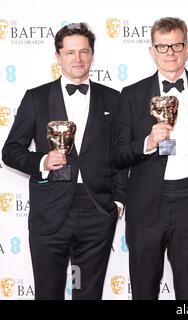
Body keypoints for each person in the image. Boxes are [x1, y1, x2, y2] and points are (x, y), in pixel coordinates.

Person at [2, 23, 126, 299]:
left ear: (92, 55)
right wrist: (43, 161)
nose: (77, 59)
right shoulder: (37, 98)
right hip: (50, 210)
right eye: (70, 52)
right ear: (58, 56)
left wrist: (117, 201)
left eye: (84, 51)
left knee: (88, 293)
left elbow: (120, 154)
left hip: (97, 210)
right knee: (48, 293)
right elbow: (10, 151)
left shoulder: (114, 99)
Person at [113, 17, 188, 300]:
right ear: (152, 51)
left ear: (187, 48)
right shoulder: (132, 95)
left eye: (176, 45)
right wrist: (148, 143)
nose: (170, 53)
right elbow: (118, 153)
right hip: (146, 203)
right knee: (143, 289)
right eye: (162, 47)